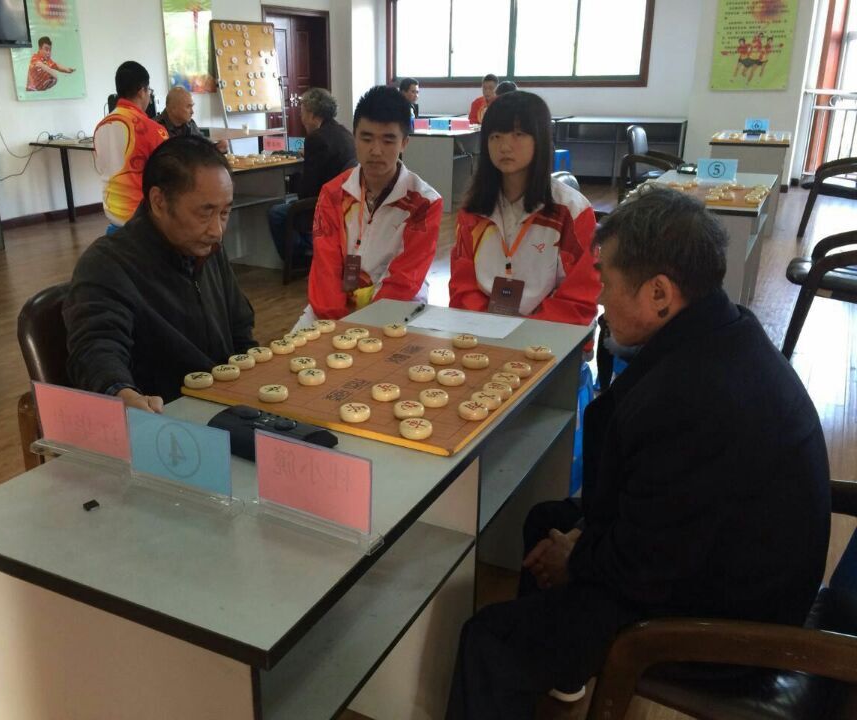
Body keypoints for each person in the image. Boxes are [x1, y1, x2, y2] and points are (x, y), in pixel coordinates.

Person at [445, 186, 831, 719]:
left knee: (487, 640)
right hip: (723, 562)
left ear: (659, 294)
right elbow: (663, 512)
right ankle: (555, 674)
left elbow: (645, 566)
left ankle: (534, 661)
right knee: (545, 521)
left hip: (726, 627)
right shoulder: (722, 328)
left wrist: (577, 555)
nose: (600, 299)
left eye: (607, 282)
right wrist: (579, 539)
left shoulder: (691, 399)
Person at [63, 136, 256, 412]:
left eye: (225, 213)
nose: (217, 231)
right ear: (159, 202)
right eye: (205, 213)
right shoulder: (107, 263)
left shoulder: (208, 248)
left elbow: (241, 331)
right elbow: (96, 347)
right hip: (166, 417)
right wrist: (120, 392)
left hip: (226, 404)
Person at [449, 91, 598, 327]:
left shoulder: (572, 211)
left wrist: (521, 333)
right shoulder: (473, 210)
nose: (504, 146)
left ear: (540, 139)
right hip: (483, 330)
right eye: (495, 136)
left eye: (518, 134)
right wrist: (488, 328)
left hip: (550, 335)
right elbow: (463, 287)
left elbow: (579, 298)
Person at [298, 85, 442, 326]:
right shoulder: (333, 193)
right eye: (366, 138)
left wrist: (364, 327)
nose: (376, 151)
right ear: (354, 137)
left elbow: (405, 278)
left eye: (388, 140)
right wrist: (336, 322)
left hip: (397, 307)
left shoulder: (425, 203)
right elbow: (325, 266)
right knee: (296, 346)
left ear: (404, 143)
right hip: (334, 304)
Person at [268, 88, 356, 263]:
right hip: (344, 202)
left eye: (303, 113)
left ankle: (300, 257)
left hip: (323, 205)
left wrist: (291, 183)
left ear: (314, 115)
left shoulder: (316, 139)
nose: (301, 119)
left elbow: (307, 189)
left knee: (276, 213)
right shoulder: (345, 133)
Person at [93, 61, 169, 231]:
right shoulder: (153, 129)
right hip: (144, 219)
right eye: (149, 91)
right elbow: (169, 174)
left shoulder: (101, 127)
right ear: (142, 91)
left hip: (113, 215)